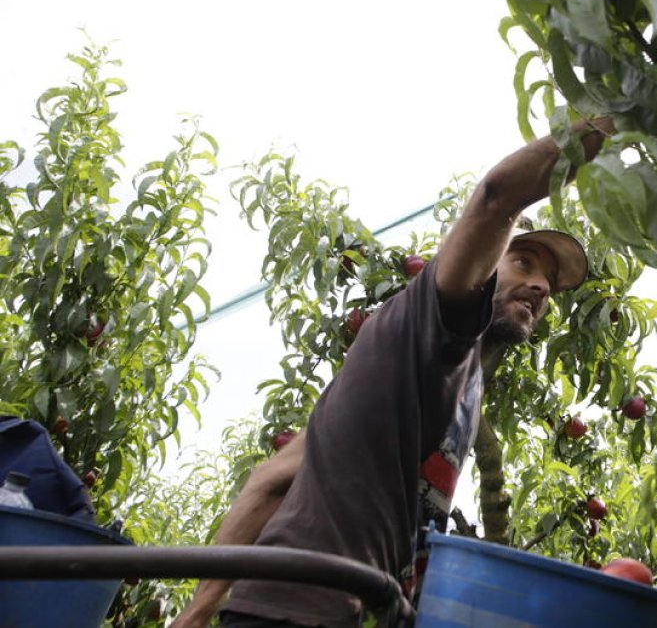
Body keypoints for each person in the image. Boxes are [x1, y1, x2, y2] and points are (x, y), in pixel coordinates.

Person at [172, 117, 614, 628]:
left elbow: (274, 478)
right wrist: (630, 113)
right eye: (522, 262)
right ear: (485, 263)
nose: (540, 285)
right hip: (294, 609)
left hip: (349, 609)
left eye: (550, 281)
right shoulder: (428, 321)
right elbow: (497, 196)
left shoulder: (456, 380)